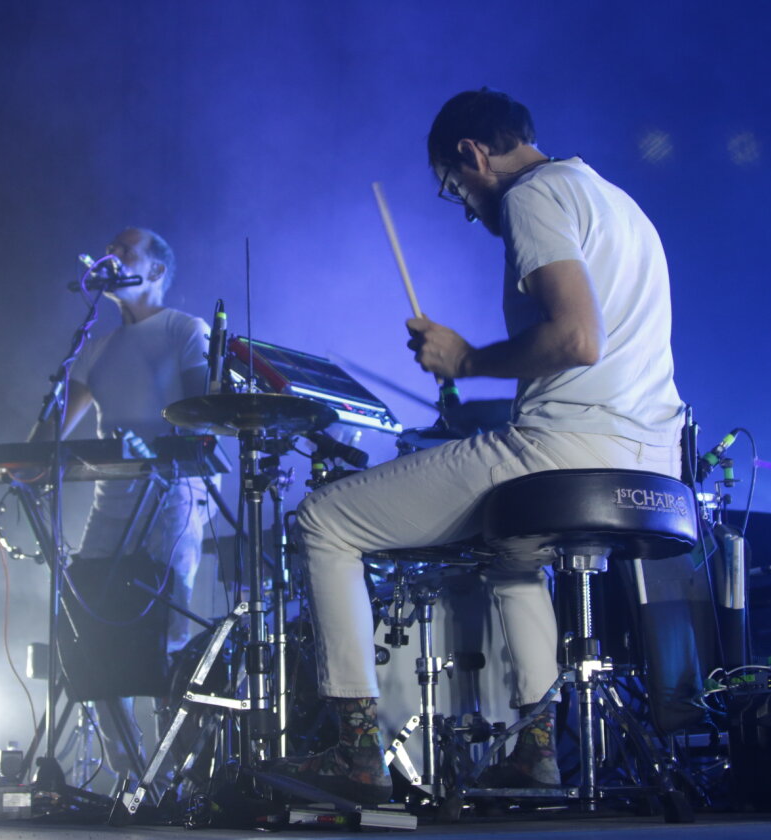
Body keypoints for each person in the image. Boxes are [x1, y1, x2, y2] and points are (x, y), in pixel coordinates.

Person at [269, 89, 685, 804]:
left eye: (455, 186)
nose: (464, 205)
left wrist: (464, 363)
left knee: (323, 521)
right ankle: (536, 748)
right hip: (651, 460)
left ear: (473, 155)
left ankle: (356, 752)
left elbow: (578, 337)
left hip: (566, 448)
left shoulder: (533, 197)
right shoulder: (618, 202)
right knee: (510, 555)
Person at [37, 226, 213, 785]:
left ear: (157, 271)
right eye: (109, 247)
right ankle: (134, 771)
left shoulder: (186, 329)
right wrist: (15, 460)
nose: (112, 254)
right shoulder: (98, 347)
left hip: (173, 500)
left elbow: (200, 418)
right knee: (91, 625)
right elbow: (50, 432)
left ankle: (174, 774)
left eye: (126, 250)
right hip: (111, 502)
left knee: (165, 638)